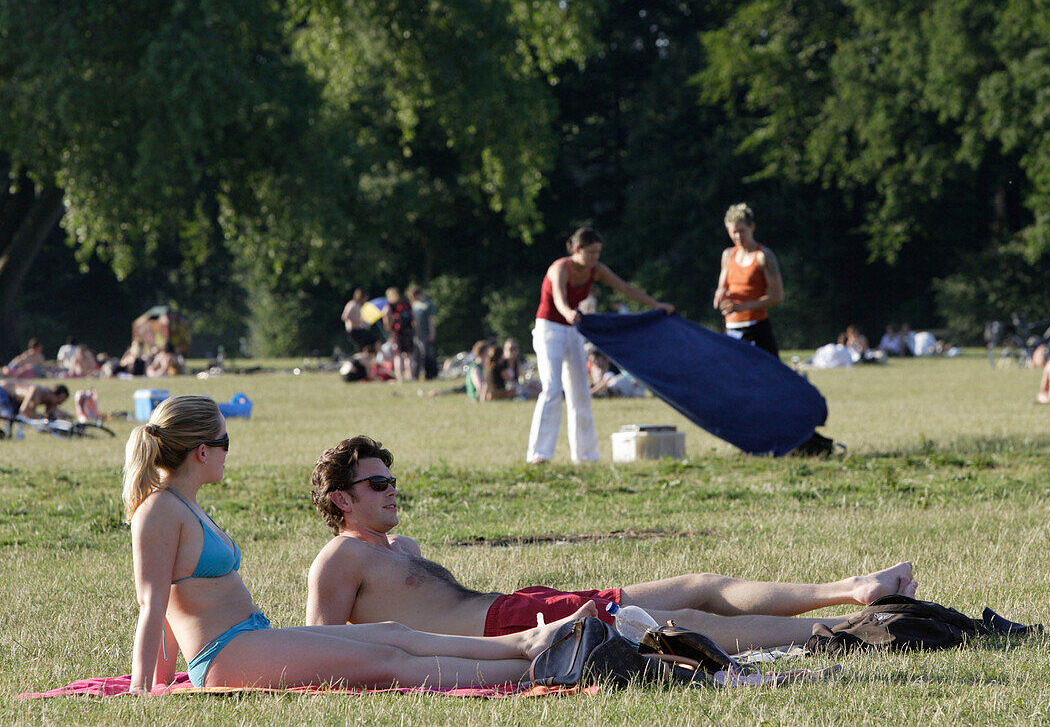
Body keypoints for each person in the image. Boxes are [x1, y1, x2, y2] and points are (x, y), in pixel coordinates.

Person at [123, 396, 585, 694]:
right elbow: (153, 605)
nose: (228, 450)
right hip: (223, 654)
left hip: (249, 640)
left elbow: (169, 608)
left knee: (393, 634)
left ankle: (531, 641)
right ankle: (544, 669)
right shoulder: (159, 510)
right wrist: (143, 691)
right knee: (388, 662)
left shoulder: (185, 506)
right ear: (202, 450)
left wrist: (162, 679)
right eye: (225, 440)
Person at [307, 436, 919, 653]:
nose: (392, 491)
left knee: (698, 584)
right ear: (342, 499)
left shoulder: (401, 546)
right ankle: (849, 628)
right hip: (507, 629)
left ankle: (852, 589)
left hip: (522, 605)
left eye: (392, 480)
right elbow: (319, 647)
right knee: (674, 621)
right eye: (377, 483)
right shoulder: (340, 558)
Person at [527, 227, 674, 463]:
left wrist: (656, 304)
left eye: (598, 253)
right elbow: (558, 298)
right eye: (591, 252)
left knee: (581, 394)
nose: (595, 257)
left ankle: (586, 456)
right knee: (552, 389)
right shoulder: (560, 268)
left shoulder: (597, 270)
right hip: (549, 330)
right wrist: (568, 313)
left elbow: (625, 289)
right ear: (577, 249)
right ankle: (539, 455)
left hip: (573, 330)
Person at [713, 204, 784, 357]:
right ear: (728, 231)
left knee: (768, 378)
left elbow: (777, 297)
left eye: (742, 231)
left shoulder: (763, 256)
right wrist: (719, 293)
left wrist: (743, 307)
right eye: (734, 232)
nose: (738, 237)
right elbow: (723, 287)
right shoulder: (728, 255)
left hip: (757, 329)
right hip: (732, 329)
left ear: (752, 227)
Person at [382, 287, 416, 383]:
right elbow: (413, 317)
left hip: (397, 333)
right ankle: (411, 376)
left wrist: (388, 326)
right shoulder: (406, 303)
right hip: (408, 331)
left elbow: (386, 314)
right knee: (409, 355)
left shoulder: (391, 305)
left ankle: (400, 377)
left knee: (398, 355)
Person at [408, 284, 437, 380]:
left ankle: (430, 374)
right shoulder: (414, 305)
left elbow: (431, 320)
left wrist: (432, 333)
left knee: (426, 354)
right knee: (416, 355)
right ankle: (415, 375)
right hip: (416, 334)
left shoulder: (428, 304)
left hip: (426, 333)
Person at [0, 380, 69, 418]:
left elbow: (51, 412)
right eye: (60, 400)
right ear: (53, 395)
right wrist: (40, 417)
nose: (59, 403)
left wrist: (67, 415)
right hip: (3, 390)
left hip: (14, 399)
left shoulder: (48, 398)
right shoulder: (36, 391)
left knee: (13, 416)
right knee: (8, 416)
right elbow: (24, 410)